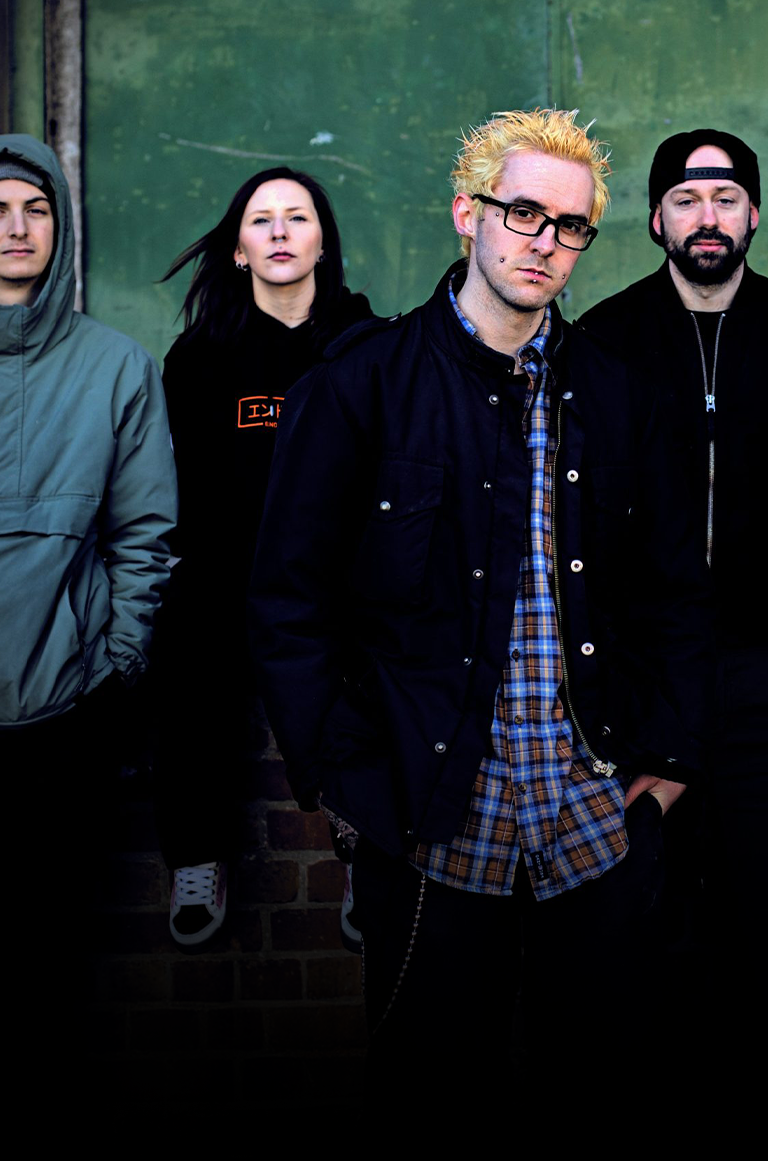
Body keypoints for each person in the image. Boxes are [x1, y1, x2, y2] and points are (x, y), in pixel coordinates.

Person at [247, 110, 708, 1098]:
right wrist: (343, 777)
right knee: (433, 1091)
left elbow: (674, 592)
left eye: (571, 225)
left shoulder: (621, 398)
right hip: (430, 822)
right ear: (468, 213)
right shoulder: (362, 385)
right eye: (523, 213)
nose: (545, 241)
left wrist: (665, 763)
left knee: (612, 1087)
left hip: (595, 820)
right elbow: (288, 597)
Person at [579, 128, 768, 1092]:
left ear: (753, 213)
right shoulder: (606, 340)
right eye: (685, 198)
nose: (706, 217)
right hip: (644, 681)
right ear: (656, 218)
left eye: (724, 197)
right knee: (648, 915)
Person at [0, 134, 177, 1091]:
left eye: (36, 208)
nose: (17, 227)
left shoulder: (116, 367)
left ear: (61, 228)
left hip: (62, 715)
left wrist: (112, 667)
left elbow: (147, 537)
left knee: (45, 968)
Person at [153, 168, 372, 947]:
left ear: (321, 241)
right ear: (240, 249)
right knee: (182, 652)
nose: (280, 232)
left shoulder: (363, 345)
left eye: (297, 218)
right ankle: (197, 856)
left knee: (368, 674)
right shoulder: (200, 360)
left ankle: (362, 852)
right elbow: (180, 498)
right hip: (230, 582)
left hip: (333, 586)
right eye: (261, 221)